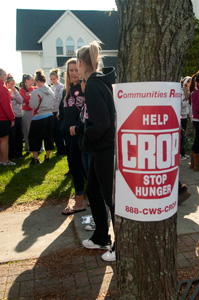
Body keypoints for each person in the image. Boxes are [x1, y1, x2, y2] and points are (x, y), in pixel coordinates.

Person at [76, 41, 116, 262]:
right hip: (104, 146)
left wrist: (83, 133)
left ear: (81, 63)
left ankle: (121, 243)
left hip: (104, 148)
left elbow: (101, 123)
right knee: (93, 189)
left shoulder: (93, 84)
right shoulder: (100, 82)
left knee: (111, 197)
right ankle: (101, 237)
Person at [59, 58, 86, 215]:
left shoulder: (85, 87)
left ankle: (80, 202)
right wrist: (64, 126)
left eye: (76, 70)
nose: (74, 73)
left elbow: (86, 112)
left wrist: (77, 127)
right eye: (71, 70)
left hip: (80, 134)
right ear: (67, 73)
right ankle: (87, 196)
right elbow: (62, 112)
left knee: (79, 167)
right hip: (67, 135)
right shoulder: (65, 90)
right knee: (74, 165)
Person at [28, 69, 54, 165]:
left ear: (37, 81)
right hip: (50, 116)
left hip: (39, 117)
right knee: (49, 137)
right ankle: (47, 157)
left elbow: (33, 105)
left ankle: (35, 158)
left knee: (34, 137)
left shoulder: (36, 92)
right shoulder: (50, 90)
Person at [0, 68, 16, 166]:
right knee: (4, 140)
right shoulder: (3, 88)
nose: (6, 76)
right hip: (2, 118)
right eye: (4, 75)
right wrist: (12, 118)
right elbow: (6, 106)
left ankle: (1, 160)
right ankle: (5, 161)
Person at [6, 75, 24, 159]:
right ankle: (11, 154)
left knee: (19, 135)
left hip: (18, 116)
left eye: (13, 84)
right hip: (10, 117)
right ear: (7, 84)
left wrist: (15, 91)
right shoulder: (5, 91)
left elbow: (21, 101)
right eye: (10, 84)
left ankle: (19, 153)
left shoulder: (15, 90)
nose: (12, 85)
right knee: (11, 137)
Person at [50, 68, 66, 156]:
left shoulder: (61, 87)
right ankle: (59, 148)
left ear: (57, 78)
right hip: (52, 110)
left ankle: (63, 149)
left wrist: (58, 111)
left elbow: (60, 100)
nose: (52, 80)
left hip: (57, 111)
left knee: (59, 131)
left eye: (54, 79)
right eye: (51, 79)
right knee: (55, 131)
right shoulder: (51, 87)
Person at [20, 74, 35, 154]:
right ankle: (28, 147)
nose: (33, 81)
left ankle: (38, 147)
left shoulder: (35, 88)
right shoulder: (22, 90)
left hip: (34, 111)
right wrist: (31, 96)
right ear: (26, 80)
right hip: (26, 112)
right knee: (27, 130)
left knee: (35, 130)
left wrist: (28, 96)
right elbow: (24, 100)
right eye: (32, 80)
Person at [180, 76, 191, 160]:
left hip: (185, 116)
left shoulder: (188, 92)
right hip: (181, 116)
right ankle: (181, 154)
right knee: (181, 135)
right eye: (190, 81)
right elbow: (180, 104)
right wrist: (187, 102)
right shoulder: (181, 91)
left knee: (184, 136)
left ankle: (183, 153)